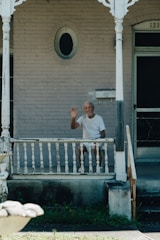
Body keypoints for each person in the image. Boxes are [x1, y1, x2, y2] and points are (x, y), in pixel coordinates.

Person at [70, 101, 106, 172]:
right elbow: (73, 127)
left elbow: (103, 134)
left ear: (93, 108)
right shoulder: (82, 118)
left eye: (89, 107)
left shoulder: (99, 118)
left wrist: (98, 140)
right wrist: (73, 118)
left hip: (97, 140)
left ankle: (99, 167)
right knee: (80, 148)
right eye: (86, 108)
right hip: (86, 141)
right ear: (84, 110)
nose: (88, 109)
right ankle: (81, 167)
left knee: (97, 147)